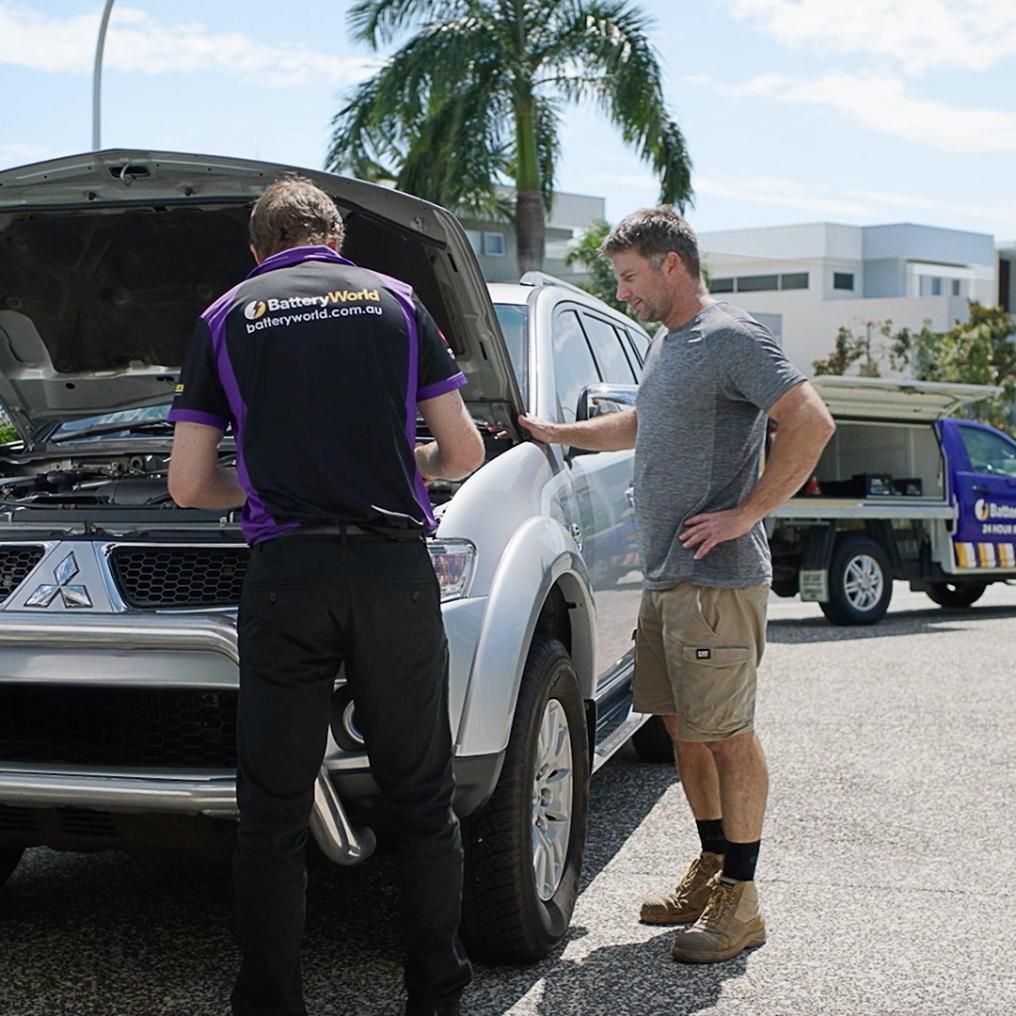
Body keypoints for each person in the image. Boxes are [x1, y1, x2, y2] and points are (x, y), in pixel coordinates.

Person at [167, 174, 483, 1016]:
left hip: (288, 581)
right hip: (391, 575)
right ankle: (436, 996)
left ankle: (270, 1004)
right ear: (337, 240)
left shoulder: (227, 314)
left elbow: (189, 484)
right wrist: (404, 464)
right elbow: (463, 452)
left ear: (256, 249)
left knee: (271, 811)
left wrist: (269, 483)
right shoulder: (398, 301)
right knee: (421, 796)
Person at [518, 206, 835, 964]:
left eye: (629, 277)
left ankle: (744, 900)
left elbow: (811, 420)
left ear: (670, 264)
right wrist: (560, 435)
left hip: (715, 579)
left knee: (727, 737)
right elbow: (642, 424)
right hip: (669, 578)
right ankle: (712, 865)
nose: (624, 293)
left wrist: (744, 513)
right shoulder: (670, 343)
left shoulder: (731, 336)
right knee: (687, 733)